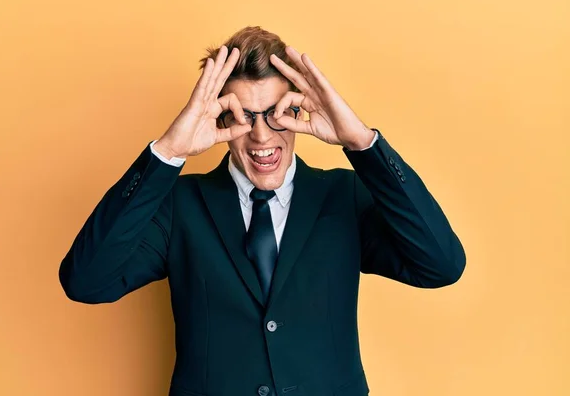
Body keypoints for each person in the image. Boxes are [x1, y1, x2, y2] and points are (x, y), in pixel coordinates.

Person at [59, 26, 465, 396]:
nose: (261, 135)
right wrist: (168, 152)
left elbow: (441, 264)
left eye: (276, 113)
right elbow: (86, 281)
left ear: (300, 109)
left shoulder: (345, 196)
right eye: (244, 116)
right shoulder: (179, 206)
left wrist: (361, 142)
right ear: (218, 114)